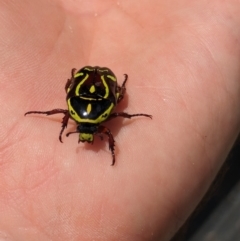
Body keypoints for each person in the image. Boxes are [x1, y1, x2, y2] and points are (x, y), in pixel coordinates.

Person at [0, 1, 239, 240]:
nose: (85, 135)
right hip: (95, 79)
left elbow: (94, 112)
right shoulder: (82, 112)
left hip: (88, 78)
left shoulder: (76, 112)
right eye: (86, 131)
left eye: (79, 129)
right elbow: (105, 115)